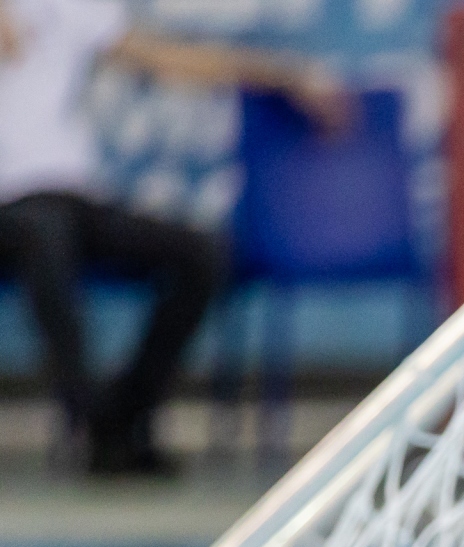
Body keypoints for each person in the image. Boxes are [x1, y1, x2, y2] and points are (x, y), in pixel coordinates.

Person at [0, 0, 342, 475]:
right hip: (13, 208)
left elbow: (173, 59)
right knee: (44, 233)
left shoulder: (69, 8)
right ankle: (88, 422)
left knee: (201, 253)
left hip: (70, 197)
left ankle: (123, 415)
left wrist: (285, 74)